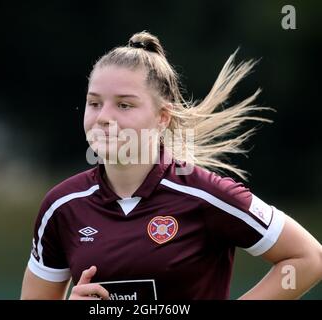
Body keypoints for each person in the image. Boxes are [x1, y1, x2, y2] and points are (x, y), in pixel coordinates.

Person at [20, 31, 322, 300]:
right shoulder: (62, 206)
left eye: (124, 105)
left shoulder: (206, 195)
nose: (103, 117)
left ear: (162, 117)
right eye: (95, 102)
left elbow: (309, 258)